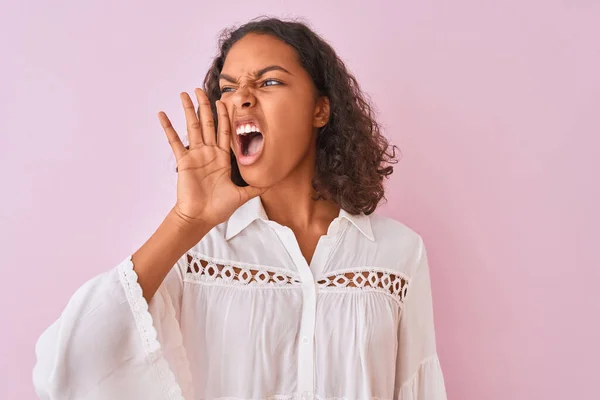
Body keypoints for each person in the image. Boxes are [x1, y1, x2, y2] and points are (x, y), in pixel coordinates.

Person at [33, 17, 447, 400]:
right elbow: (68, 368)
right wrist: (185, 222)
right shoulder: (195, 252)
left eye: (268, 83)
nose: (242, 99)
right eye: (229, 88)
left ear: (321, 109)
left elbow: (418, 389)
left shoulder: (398, 253)